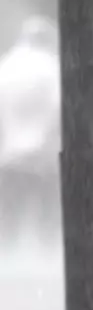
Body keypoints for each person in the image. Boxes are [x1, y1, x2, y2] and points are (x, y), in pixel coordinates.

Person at [0, 16, 61, 249]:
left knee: (10, 216)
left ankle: (7, 255)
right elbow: (58, 106)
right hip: (43, 153)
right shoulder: (51, 66)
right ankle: (49, 254)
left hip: (10, 154)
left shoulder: (6, 65)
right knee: (48, 214)